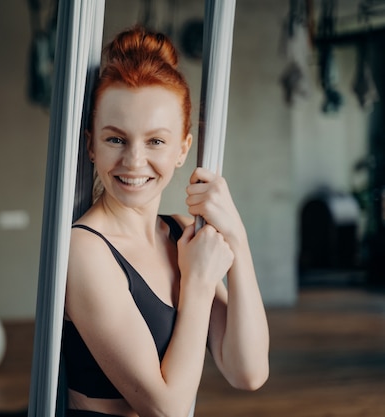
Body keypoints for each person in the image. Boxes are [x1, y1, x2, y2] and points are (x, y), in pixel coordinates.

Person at [62, 25, 270, 417]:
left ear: (182, 149)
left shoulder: (180, 234)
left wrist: (236, 242)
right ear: (91, 145)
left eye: (155, 141)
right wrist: (198, 281)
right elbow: (167, 410)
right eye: (115, 139)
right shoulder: (84, 251)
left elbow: (248, 371)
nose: (134, 162)